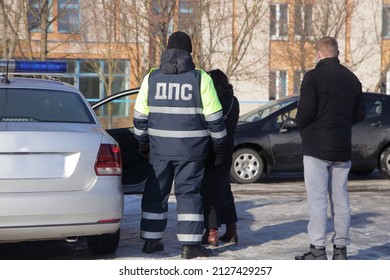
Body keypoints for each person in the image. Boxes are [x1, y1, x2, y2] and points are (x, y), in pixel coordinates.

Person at [133, 31, 227, 259]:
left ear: (167, 50)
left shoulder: (151, 78)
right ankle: (190, 245)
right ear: (189, 52)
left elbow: (139, 118)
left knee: (156, 193)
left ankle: (151, 241)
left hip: (159, 150)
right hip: (191, 151)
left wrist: (143, 143)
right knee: (188, 194)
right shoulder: (201, 78)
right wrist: (220, 146)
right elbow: (215, 118)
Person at [294, 36, 366, 260]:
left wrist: (301, 126)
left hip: (316, 147)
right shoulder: (352, 79)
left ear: (318, 54)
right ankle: (341, 250)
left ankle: (317, 249)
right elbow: (360, 114)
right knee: (341, 199)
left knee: (317, 200)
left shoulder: (313, 78)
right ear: (337, 54)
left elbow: (305, 112)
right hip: (342, 147)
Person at [201, 69, 239, 247]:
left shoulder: (211, 100)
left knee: (209, 191)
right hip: (228, 149)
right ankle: (231, 230)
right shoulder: (234, 100)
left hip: (211, 149)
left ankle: (212, 233)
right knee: (224, 188)